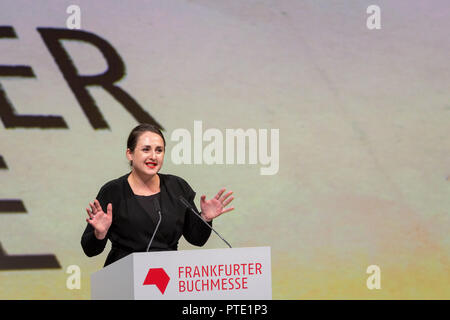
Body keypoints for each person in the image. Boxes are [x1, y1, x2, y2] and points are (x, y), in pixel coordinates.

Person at [81, 123, 234, 267]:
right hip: (126, 278)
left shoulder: (177, 187)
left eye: (159, 150)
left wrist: (205, 218)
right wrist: (99, 233)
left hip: (168, 277)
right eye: (146, 149)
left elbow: (197, 239)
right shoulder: (113, 191)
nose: (153, 156)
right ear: (130, 154)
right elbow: (90, 250)